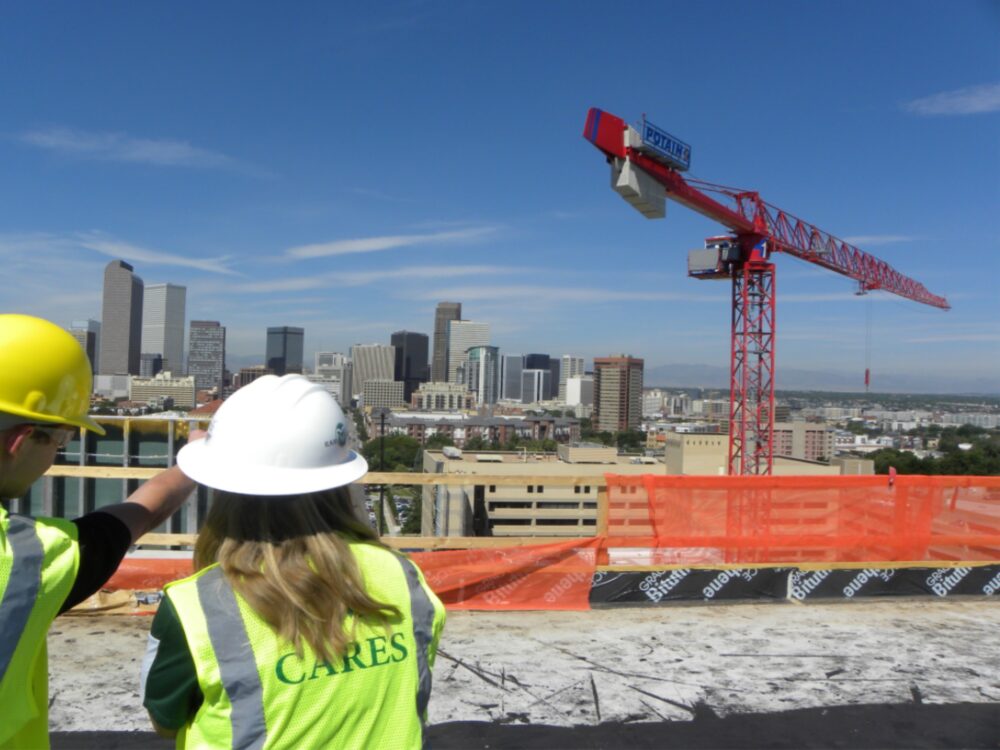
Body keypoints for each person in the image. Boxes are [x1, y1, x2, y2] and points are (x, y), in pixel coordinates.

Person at [141, 374, 446, 749]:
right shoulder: (401, 575)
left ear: (223, 487)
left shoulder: (197, 608)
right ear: (338, 481)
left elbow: (165, 720)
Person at [0, 314, 197, 749]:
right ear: (21, 439)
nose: (56, 455)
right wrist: (195, 461)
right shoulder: (27, 560)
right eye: (61, 439)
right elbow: (136, 513)